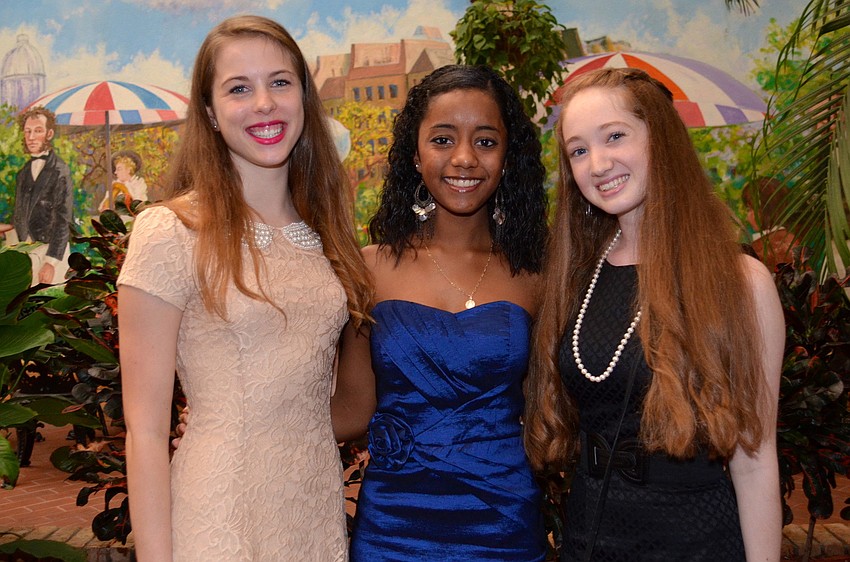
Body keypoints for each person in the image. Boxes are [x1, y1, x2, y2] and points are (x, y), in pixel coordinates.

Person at [117, 15, 372, 562]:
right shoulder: (170, 231)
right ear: (209, 112)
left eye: (280, 82)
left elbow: (330, 396)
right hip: (220, 513)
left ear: (303, 95)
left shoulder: (327, 234)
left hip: (313, 513)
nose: (264, 103)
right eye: (239, 88)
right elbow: (144, 428)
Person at [523, 67, 785, 561]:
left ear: (659, 138)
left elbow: (756, 459)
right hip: (589, 539)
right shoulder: (573, 277)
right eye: (578, 150)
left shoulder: (741, 284)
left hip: (696, 543)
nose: (597, 164)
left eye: (615, 136)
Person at [331, 64, 550, 561]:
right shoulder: (369, 269)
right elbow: (350, 410)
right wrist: (238, 419)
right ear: (415, 154)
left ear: (508, 157)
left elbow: (557, 405)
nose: (465, 159)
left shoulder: (537, 275)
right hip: (393, 528)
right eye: (443, 139)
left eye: (487, 142)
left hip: (504, 525)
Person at [0, 106, 73, 285]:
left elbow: (63, 220)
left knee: (49, 306)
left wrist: (51, 262)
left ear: (49, 134)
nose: (31, 137)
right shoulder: (23, 173)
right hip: (27, 251)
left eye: (38, 131)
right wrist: (8, 228)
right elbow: (23, 212)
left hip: (52, 253)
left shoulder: (60, 171)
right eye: (28, 131)